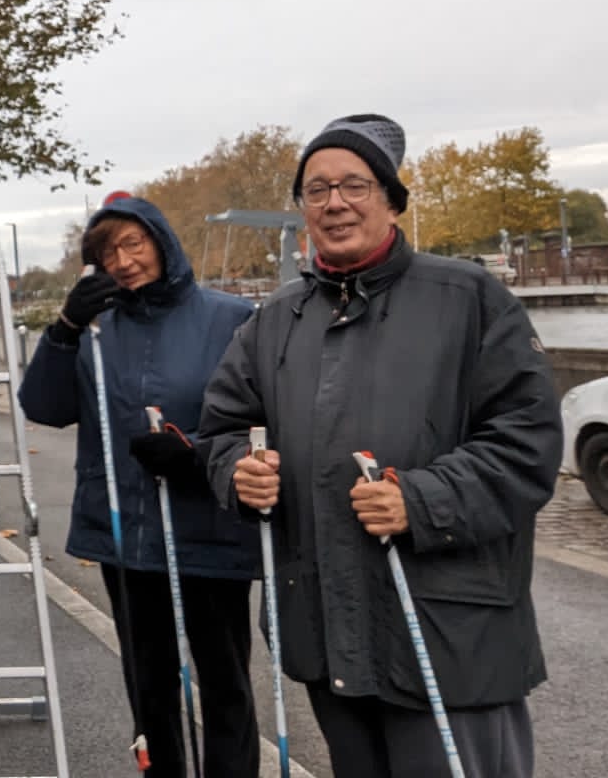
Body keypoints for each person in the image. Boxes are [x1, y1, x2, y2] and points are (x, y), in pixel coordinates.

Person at [199, 114, 561, 778]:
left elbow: (527, 440)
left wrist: (421, 501)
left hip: (450, 635)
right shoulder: (274, 321)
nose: (335, 202)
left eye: (355, 185)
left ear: (392, 199)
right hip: (327, 635)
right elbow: (222, 429)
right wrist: (236, 473)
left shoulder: (470, 299)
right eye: (317, 189)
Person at [17, 192, 261, 777]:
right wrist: (66, 326)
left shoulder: (231, 318)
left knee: (224, 680)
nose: (124, 261)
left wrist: (197, 453)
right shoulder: (96, 330)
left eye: (134, 243)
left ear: (162, 242)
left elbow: (268, 420)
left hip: (209, 524)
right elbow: (44, 407)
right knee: (149, 687)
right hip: (125, 533)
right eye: (108, 251)